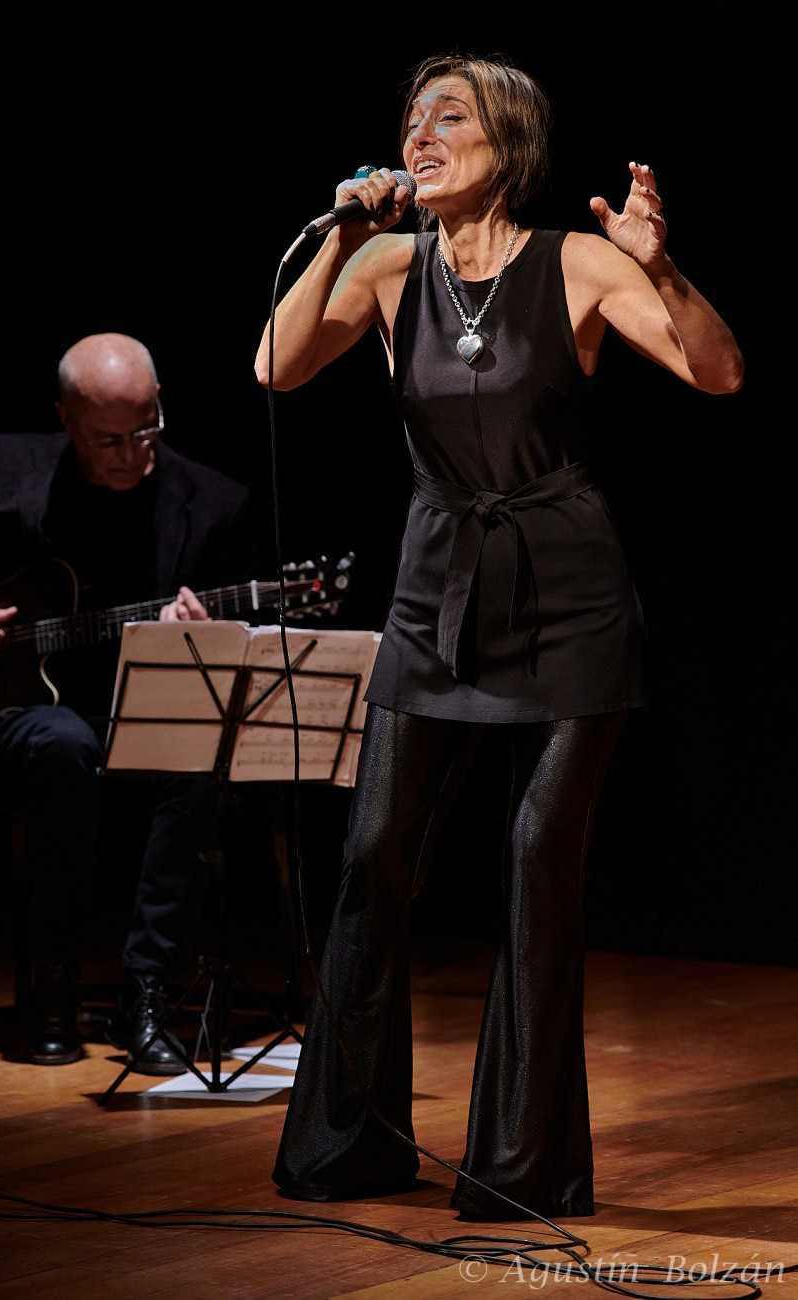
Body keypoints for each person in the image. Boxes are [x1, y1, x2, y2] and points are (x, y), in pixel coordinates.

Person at [254, 55, 743, 1219]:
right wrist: (340, 232)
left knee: (534, 862)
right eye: (409, 120)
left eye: (449, 116)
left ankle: (519, 1165)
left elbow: (717, 373)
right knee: (373, 851)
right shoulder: (384, 266)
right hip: (434, 591)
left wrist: (658, 266)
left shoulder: (573, 263)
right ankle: (348, 1142)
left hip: (570, 597)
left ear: (508, 145)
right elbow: (275, 364)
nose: (419, 136)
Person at [0, 333, 255, 1069]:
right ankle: (55, 984)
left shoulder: (214, 504)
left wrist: (200, 636)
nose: (132, 452)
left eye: (146, 428)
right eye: (109, 439)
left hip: (144, 710)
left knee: (197, 762)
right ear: (65, 420)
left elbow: (242, 648)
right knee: (63, 743)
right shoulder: (4, 469)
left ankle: (146, 995)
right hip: (12, 711)